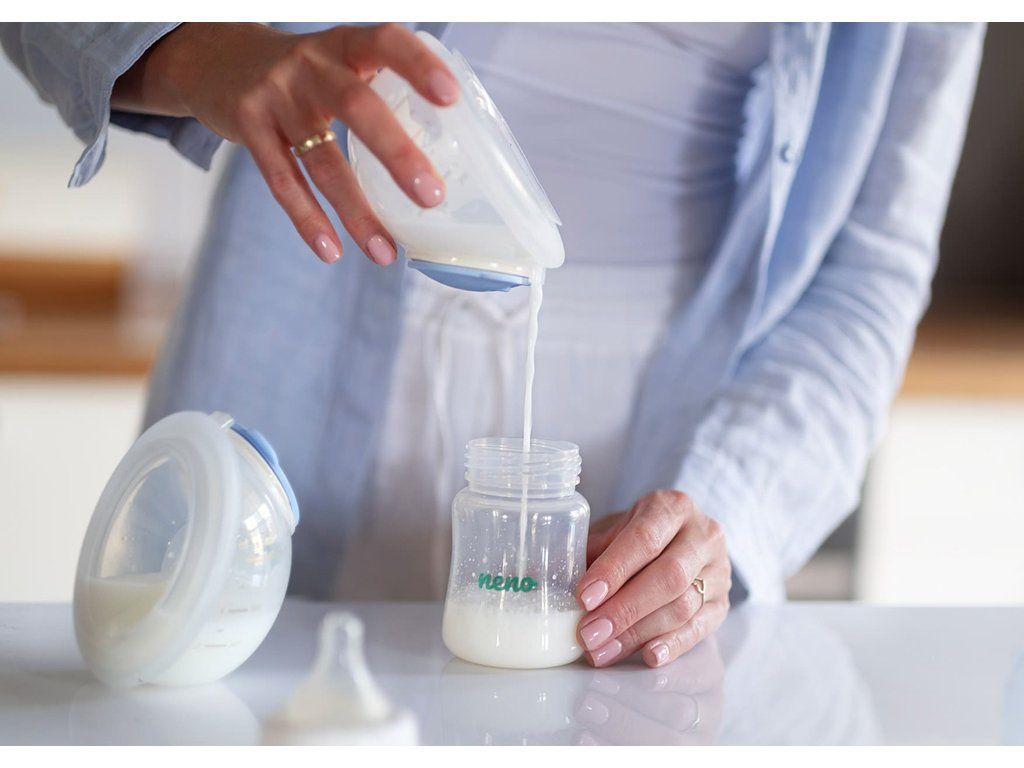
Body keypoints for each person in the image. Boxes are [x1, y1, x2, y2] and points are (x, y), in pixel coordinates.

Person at [1, 22, 984, 669]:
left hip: (671, 422)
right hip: (315, 325)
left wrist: (729, 509)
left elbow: (870, 272)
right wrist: (203, 52)